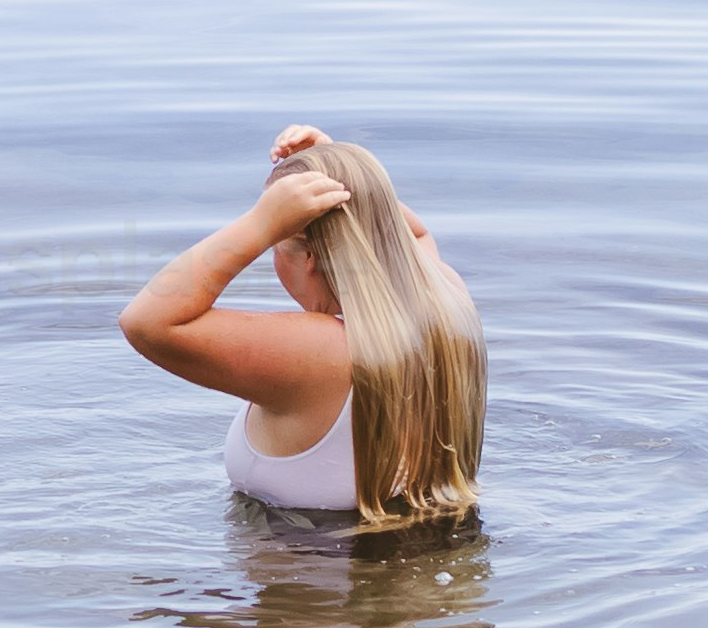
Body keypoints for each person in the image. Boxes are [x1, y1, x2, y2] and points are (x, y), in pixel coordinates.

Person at [118, 126, 485, 527]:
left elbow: (147, 322)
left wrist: (259, 224)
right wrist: (346, 176)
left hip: (317, 580)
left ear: (307, 255)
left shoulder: (321, 350)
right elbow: (413, 233)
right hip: (439, 556)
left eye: (276, 245)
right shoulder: (449, 301)